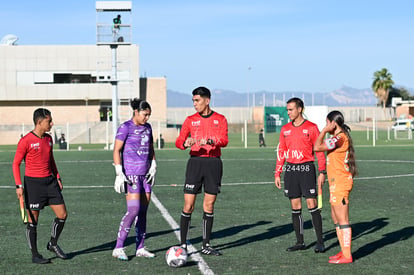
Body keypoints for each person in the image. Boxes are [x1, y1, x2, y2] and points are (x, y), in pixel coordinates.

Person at [175, 86, 228, 256]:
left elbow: (225, 140)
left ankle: (206, 245)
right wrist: (185, 143)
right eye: (193, 101)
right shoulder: (190, 120)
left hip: (213, 164)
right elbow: (178, 142)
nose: (195, 104)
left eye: (197, 101)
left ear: (207, 100)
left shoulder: (220, 119)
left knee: (209, 205)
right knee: (188, 205)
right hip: (195, 163)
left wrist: (212, 140)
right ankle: (183, 245)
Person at [12, 108, 68, 264]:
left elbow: (51, 160)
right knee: (33, 221)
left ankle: (52, 244)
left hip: (50, 183)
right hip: (33, 184)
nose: (52, 123)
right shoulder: (26, 141)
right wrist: (18, 186)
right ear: (39, 122)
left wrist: (57, 177)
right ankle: (35, 255)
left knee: (62, 215)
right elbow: (15, 164)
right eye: (49, 121)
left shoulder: (49, 139)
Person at [274, 97, 326, 253]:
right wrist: (278, 172)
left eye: (291, 109)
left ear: (300, 109)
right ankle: (300, 242)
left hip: (307, 169)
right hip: (291, 170)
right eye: (287, 109)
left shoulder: (311, 127)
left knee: (312, 205)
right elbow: (281, 151)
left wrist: (322, 172)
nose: (288, 112)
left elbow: (319, 151)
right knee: (295, 206)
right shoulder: (285, 129)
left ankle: (320, 241)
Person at [112, 98, 157, 261]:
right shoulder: (125, 128)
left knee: (143, 212)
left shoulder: (148, 128)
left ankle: (140, 247)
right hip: (131, 175)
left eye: (149, 115)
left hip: (145, 175)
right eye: (145, 114)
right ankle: (118, 247)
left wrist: (153, 163)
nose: (147, 118)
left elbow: (151, 147)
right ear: (136, 112)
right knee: (133, 210)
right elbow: (116, 150)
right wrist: (119, 172)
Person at [314, 110, 357, 264]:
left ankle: (347, 256)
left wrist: (324, 131)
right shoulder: (336, 137)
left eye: (327, 123)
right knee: (335, 217)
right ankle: (343, 251)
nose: (326, 126)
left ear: (334, 123)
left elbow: (317, 147)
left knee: (343, 218)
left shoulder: (340, 137)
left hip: (341, 182)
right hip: (334, 182)